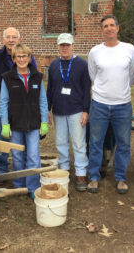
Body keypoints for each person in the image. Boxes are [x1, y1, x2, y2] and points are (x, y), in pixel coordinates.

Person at [87, 15, 134, 194]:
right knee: (95, 142)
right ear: (102, 30)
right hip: (99, 104)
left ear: (117, 28)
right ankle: (93, 177)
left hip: (122, 105)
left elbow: (132, 75)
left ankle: (121, 178)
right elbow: (93, 76)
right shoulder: (95, 52)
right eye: (105, 26)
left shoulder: (129, 49)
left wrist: (120, 91)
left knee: (123, 143)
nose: (109, 28)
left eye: (112, 25)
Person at [0, 44, 48, 199]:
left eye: (24, 56)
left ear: (29, 57)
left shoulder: (37, 76)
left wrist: (44, 122)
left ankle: (33, 187)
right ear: (14, 59)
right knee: (18, 156)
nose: (21, 59)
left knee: (34, 156)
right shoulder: (7, 77)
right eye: (18, 56)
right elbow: (3, 102)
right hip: (15, 124)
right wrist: (5, 124)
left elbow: (43, 101)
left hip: (33, 123)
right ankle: (19, 186)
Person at [0, 27, 37, 173]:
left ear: (19, 39)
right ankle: (2, 170)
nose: (11, 40)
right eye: (8, 37)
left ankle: (26, 169)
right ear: (3, 40)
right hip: (0, 108)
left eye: (14, 37)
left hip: (22, 109)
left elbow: (34, 80)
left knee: (24, 141)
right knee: (2, 141)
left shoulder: (28, 56)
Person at [47, 33, 91, 192]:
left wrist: (86, 110)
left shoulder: (81, 64)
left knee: (79, 143)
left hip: (76, 110)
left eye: (67, 45)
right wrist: (47, 109)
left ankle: (80, 172)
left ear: (73, 45)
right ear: (58, 47)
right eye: (62, 45)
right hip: (59, 110)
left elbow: (87, 89)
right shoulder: (53, 65)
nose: (65, 48)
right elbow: (50, 89)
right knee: (61, 142)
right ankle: (64, 169)